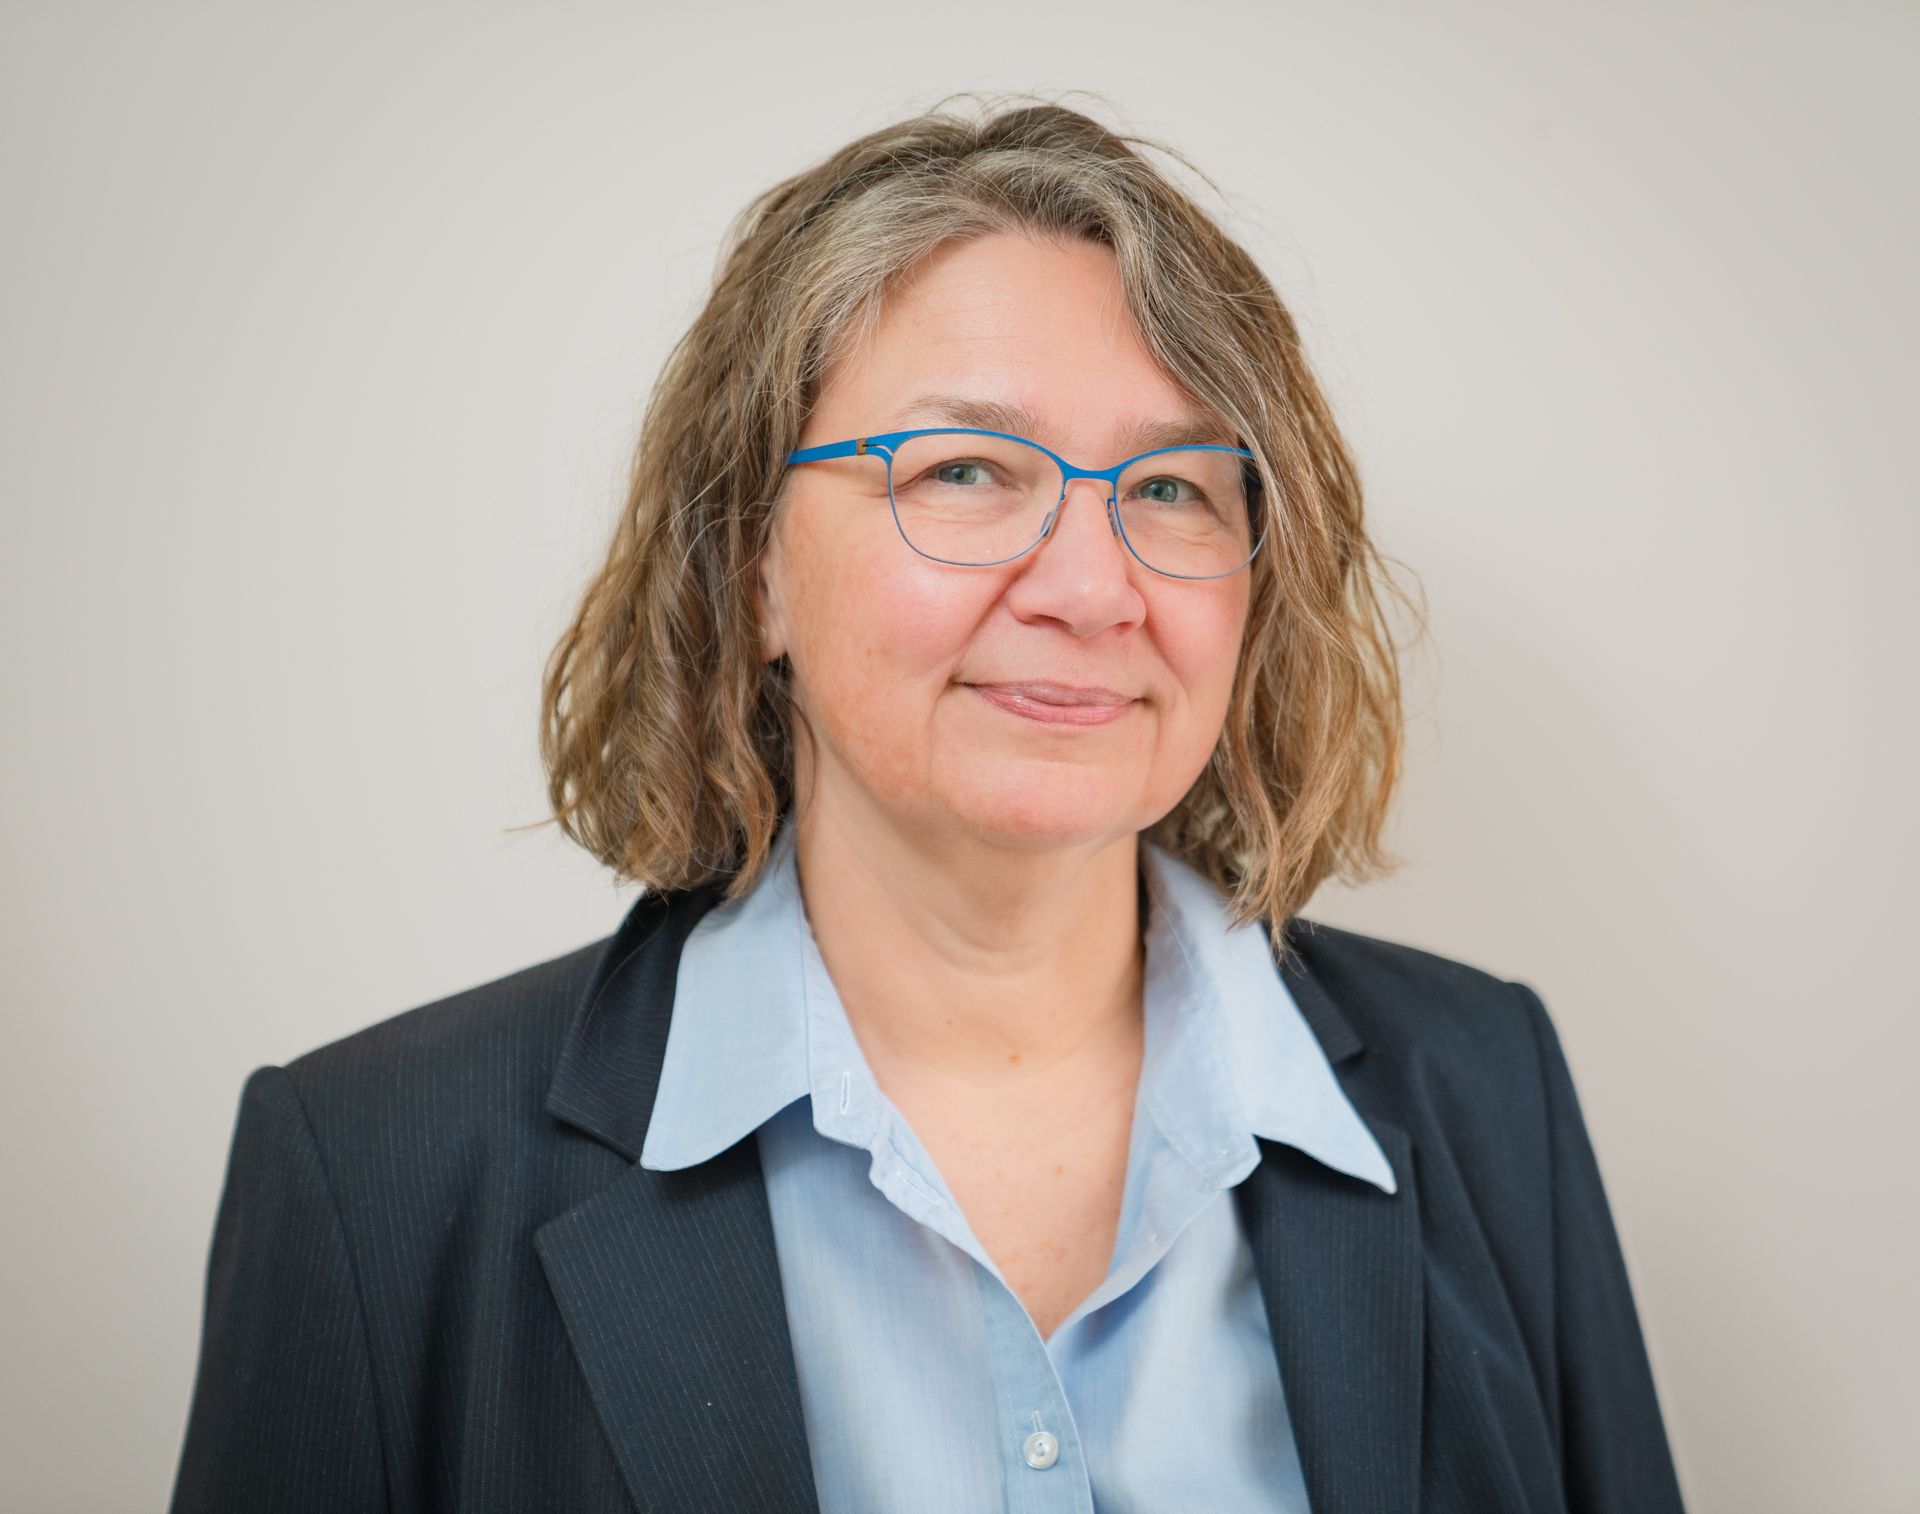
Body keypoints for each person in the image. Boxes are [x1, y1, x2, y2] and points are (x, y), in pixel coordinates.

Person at [168, 97, 1687, 1514]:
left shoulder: (1489, 1091)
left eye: (1171, 490)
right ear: (753, 561)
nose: (1093, 588)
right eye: (962, 470)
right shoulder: (372, 1173)